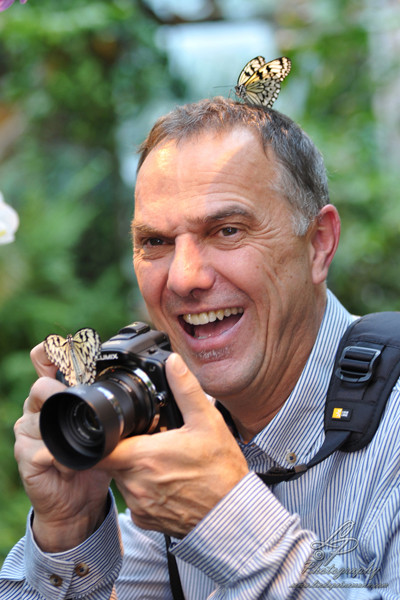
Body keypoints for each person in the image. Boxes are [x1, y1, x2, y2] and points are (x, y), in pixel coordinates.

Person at [1, 97, 400, 599]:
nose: (185, 278)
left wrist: (225, 519)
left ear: (319, 242)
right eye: (156, 243)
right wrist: (69, 526)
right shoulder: (186, 438)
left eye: (227, 231)